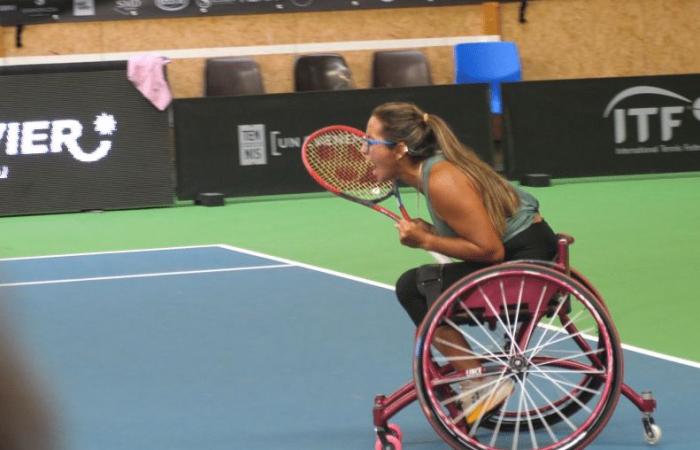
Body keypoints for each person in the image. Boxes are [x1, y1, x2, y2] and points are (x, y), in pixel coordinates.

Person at [361, 102, 558, 425]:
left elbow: (489, 250)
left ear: (398, 149)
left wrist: (426, 241)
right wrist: (432, 232)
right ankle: (474, 378)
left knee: (414, 286)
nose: (364, 150)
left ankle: (477, 380)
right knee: (420, 283)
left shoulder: (442, 180)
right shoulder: (434, 173)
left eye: (370, 142)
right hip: (526, 248)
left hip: (524, 260)